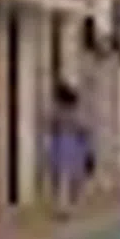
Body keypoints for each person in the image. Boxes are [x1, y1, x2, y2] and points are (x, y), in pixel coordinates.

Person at [46, 84, 95, 213]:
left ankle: (62, 207)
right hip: (74, 147)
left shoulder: (56, 113)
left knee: (60, 178)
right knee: (73, 179)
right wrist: (88, 149)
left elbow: (52, 128)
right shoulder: (75, 113)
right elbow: (84, 130)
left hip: (60, 146)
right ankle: (68, 206)